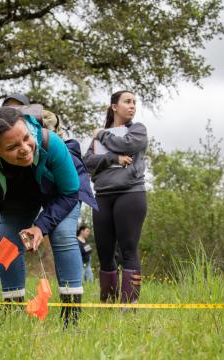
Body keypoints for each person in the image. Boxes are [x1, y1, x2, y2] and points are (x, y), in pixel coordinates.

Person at [0, 106, 84, 327]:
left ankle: (72, 317)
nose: (25, 149)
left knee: (62, 234)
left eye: (26, 138)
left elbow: (70, 193)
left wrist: (40, 227)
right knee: (6, 243)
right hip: (18, 194)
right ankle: (13, 315)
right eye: (13, 146)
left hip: (61, 192)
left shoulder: (51, 143)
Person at [83, 90, 148, 304]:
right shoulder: (100, 136)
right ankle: (108, 304)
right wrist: (114, 158)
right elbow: (88, 162)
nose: (132, 106)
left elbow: (127, 145)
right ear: (114, 106)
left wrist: (101, 136)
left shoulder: (137, 130)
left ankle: (129, 305)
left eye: (134, 102)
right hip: (102, 196)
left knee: (128, 250)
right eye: (127, 102)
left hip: (130, 194)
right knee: (104, 252)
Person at [0, 93, 32, 300]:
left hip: (14, 206)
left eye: (19, 110)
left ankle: (14, 295)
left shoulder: (31, 141)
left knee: (12, 249)